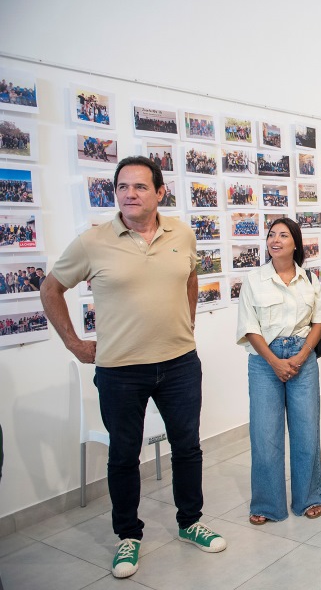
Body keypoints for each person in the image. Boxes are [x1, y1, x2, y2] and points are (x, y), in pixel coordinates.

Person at [40, 156, 226, 580]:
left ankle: (189, 521)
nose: (129, 194)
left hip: (179, 363)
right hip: (120, 370)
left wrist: (188, 323)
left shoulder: (182, 232)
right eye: (122, 187)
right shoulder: (93, 242)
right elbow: (51, 288)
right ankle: (128, 535)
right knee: (124, 455)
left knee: (188, 446)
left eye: (140, 187)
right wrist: (73, 343)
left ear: (160, 192)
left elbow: (190, 278)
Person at [237, 217, 321, 525]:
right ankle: (267, 503)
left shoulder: (310, 279)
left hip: (303, 357)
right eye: (271, 235)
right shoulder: (254, 280)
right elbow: (249, 327)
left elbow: (319, 321)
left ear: (295, 243)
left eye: (283, 235)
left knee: (306, 431)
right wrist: (275, 362)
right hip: (265, 360)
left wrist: (302, 356)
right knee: (265, 434)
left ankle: (308, 498)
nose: (275, 240)